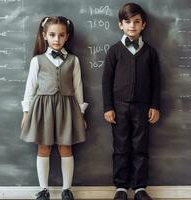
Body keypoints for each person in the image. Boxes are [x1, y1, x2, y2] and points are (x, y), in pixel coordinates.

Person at [20, 16, 88, 200]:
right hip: (43, 109)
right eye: (52, 35)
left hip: (67, 108)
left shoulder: (74, 60)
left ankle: (67, 189)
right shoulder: (37, 60)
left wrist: (81, 113)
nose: (57, 39)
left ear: (67, 37)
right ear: (44, 36)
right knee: (44, 148)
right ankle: (44, 190)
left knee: (66, 148)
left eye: (61, 35)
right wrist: (26, 113)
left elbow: (78, 88)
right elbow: (30, 87)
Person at [102, 3, 161, 200]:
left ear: (143, 25)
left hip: (143, 107)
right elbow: (106, 81)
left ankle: (139, 188)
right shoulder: (114, 51)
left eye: (136, 22)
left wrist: (154, 105)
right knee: (120, 148)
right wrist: (108, 107)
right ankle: (120, 188)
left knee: (140, 148)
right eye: (128, 22)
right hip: (118, 108)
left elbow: (156, 82)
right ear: (121, 25)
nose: (132, 26)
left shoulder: (150, 53)